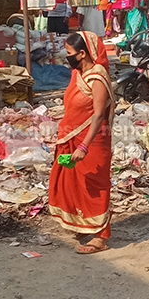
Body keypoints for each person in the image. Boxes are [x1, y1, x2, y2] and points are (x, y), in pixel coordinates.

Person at [49, 31, 114, 254]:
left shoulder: (97, 77)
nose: (66, 57)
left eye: (69, 53)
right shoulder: (78, 73)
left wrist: (84, 146)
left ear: (83, 53)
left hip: (93, 140)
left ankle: (101, 237)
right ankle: (83, 223)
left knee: (95, 185)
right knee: (71, 181)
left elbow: (97, 115)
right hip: (71, 135)